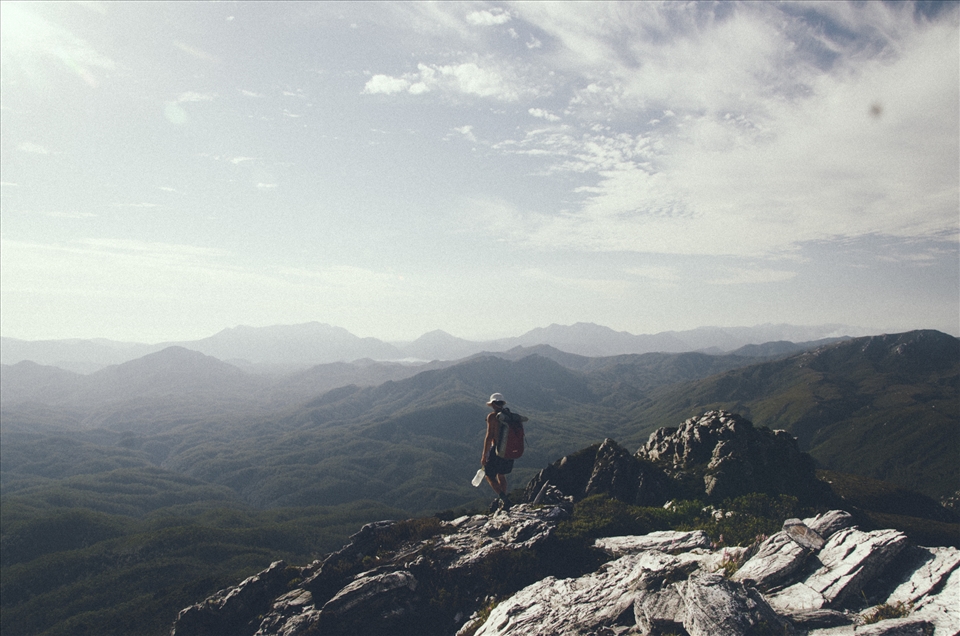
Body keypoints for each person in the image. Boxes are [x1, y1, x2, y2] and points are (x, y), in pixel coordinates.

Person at [481, 392, 514, 511]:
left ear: (493, 404)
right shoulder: (509, 415)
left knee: (489, 475)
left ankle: (503, 498)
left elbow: (489, 437)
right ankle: (503, 501)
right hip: (509, 450)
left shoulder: (492, 417)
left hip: (497, 450)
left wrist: (484, 455)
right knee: (501, 474)